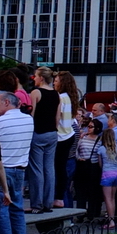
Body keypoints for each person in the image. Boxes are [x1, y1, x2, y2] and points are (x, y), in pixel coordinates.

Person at [0, 92, 33, 234]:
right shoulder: (29, 120)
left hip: (3, 169)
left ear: (6, 102)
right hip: (20, 168)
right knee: (16, 207)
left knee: (2, 208)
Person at [27, 66, 60, 213]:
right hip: (52, 133)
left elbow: (31, 114)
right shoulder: (56, 94)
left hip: (38, 132)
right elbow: (57, 116)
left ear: (41, 78)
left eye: (35, 76)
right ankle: (48, 202)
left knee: (36, 169)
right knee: (49, 168)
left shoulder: (36, 92)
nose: (34, 78)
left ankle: (37, 204)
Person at [53, 71, 80, 208]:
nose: (54, 83)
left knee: (58, 169)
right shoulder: (69, 97)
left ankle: (58, 197)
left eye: (56, 81)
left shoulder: (60, 98)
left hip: (61, 136)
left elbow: (57, 117)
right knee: (61, 168)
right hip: (67, 134)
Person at [73, 117, 104, 220]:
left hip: (93, 167)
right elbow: (76, 149)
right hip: (82, 165)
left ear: (97, 128)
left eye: (91, 127)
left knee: (92, 191)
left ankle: (91, 214)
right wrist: (78, 157)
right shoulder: (83, 138)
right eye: (88, 126)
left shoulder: (100, 140)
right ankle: (80, 214)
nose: (88, 128)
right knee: (80, 191)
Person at [96, 126, 117, 229]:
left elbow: (100, 164)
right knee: (113, 198)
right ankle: (113, 218)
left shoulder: (101, 149)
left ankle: (111, 221)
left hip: (107, 174)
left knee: (107, 199)